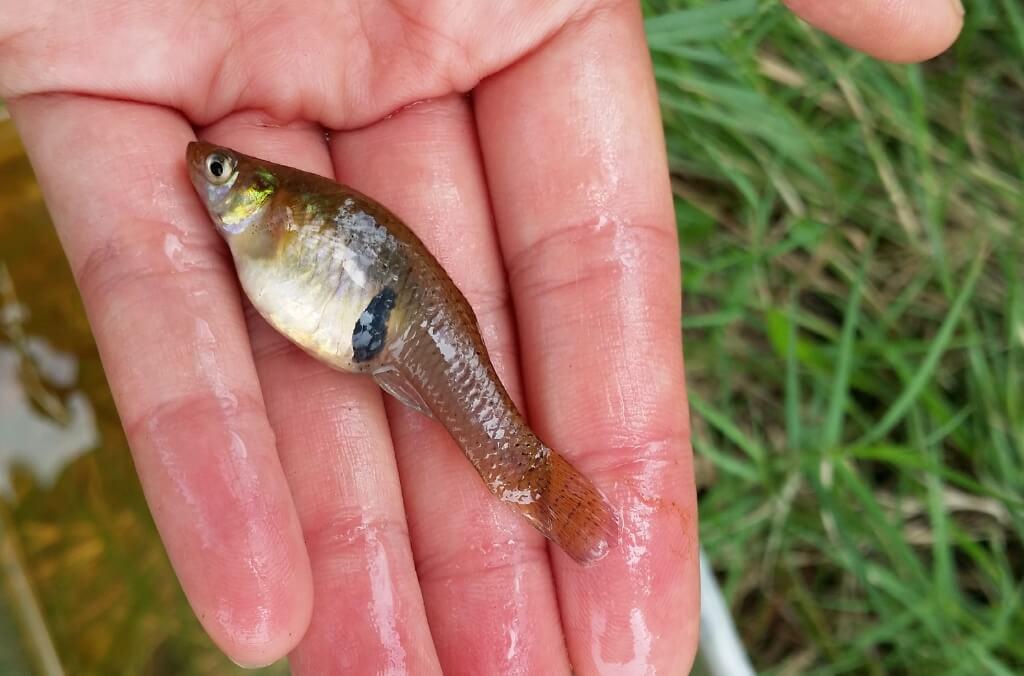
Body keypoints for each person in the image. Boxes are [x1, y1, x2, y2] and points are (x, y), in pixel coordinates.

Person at [0, 1, 963, 673]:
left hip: (389, 321)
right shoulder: (273, 214)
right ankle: (531, 477)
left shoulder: (278, 211)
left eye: (220, 172)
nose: (207, 178)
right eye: (218, 173)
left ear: (256, 194)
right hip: (373, 318)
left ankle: (534, 477)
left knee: (481, 437)